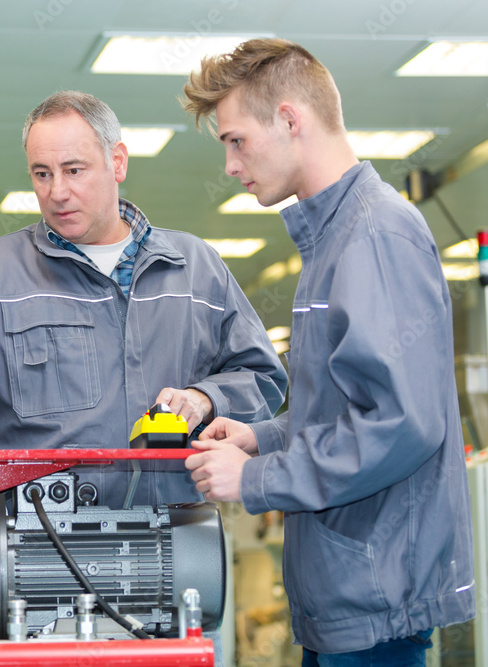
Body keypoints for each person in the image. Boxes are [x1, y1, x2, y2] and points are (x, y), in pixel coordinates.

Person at [182, 38, 476, 665]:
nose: (231, 166)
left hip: (377, 606)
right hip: (346, 598)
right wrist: (264, 437)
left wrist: (256, 478)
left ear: (290, 119)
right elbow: (347, 407)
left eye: (236, 140)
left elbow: (401, 424)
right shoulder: (334, 241)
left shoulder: (376, 234)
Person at [0, 90, 287, 508]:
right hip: (34, 542)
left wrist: (205, 399)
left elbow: (263, 378)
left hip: (172, 537)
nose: (57, 192)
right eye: (42, 174)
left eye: (74, 170)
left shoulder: (196, 268)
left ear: (118, 162)